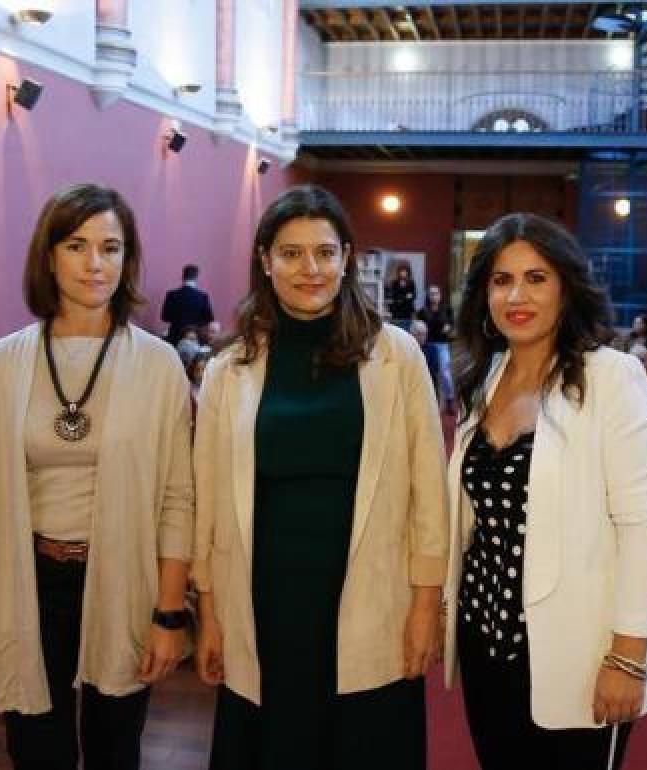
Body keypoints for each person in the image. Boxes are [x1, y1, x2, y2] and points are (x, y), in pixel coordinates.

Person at [190, 185, 448, 770]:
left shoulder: (398, 356)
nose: (311, 269)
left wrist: (425, 607)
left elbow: (429, 495)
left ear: (347, 257)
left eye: (325, 253)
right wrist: (208, 613)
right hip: (262, 601)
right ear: (265, 260)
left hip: (372, 595)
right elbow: (205, 500)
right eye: (291, 253)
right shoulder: (229, 370)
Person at [0, 184, 195, 770]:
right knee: (35, 748)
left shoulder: (159, 365)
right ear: (48, 256)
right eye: (76, 245)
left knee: (116, 747)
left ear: (127, 259)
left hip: (124, 576)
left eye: (111, 247)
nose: (94, 263)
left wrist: (169, 616)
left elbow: (178, 500)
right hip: (27, 578)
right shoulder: (2, 363)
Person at [443, 212, 647, 769]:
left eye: (536, 277)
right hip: (484, 642)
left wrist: (629, 657)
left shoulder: (610, 377)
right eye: (500, 279)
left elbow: (642, 524)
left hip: (578, 650)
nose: (517, 294)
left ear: (567, 287)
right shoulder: (483, 380)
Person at [416, 285, 455, 414]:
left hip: (442, 344)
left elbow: (452, 324)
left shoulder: (446, 309)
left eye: (436, 293)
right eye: (431, 294)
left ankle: (450, 400)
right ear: (428, 295)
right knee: (428, 374)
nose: (434, 296)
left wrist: (449, 328)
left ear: (440, 295)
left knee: (445, 373)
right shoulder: (423, 311)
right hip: (428, 345)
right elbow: (419, 327)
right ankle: (430, 403)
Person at [161, 263, 215, 345]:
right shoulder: (202, 297)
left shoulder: (171, 295)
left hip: (174, 337)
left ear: (183, 277)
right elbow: (209, 318)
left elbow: (164, 317)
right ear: (196, 277)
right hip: (194, 338)